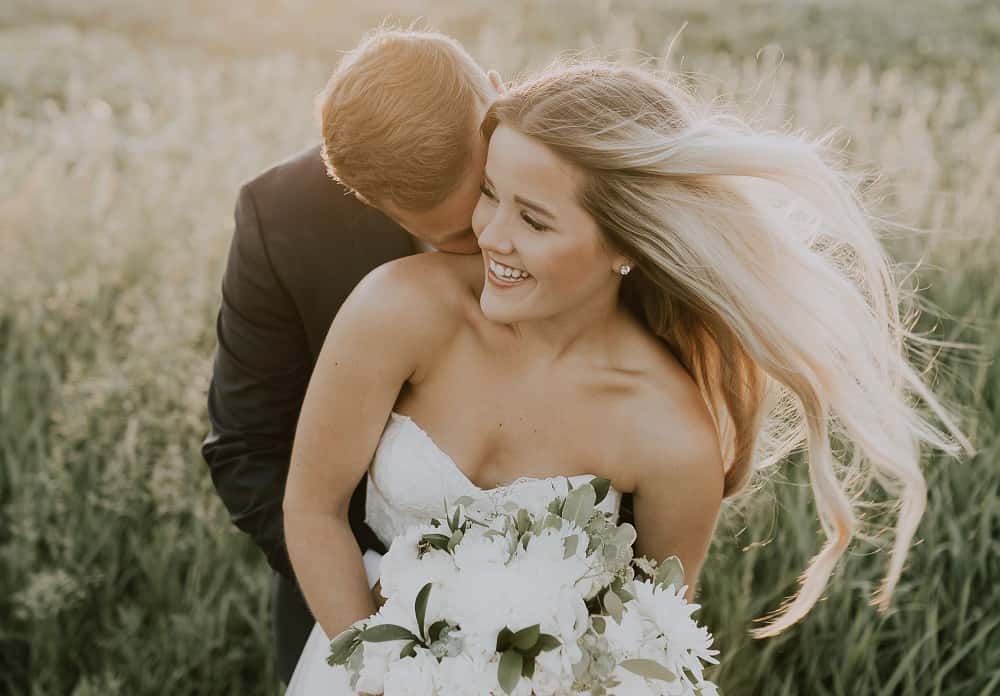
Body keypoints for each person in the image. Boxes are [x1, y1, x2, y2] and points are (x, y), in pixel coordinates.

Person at [282, 60, 974, 692]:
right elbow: (312, 511)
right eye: (491, 192)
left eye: (536, 220)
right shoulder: (401, 308)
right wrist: (384, 674)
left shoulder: (670, 437)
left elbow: (651, 644)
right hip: (355, 665)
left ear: (623, 245)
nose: (490, 234)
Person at [200, 27, 532, 685]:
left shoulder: (579, 165)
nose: (495, 237)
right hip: (354, 595)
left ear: (499, 93)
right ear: (365, 198)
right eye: (462, 234)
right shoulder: (283, 219)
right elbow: (247, 449)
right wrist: (373, 600)